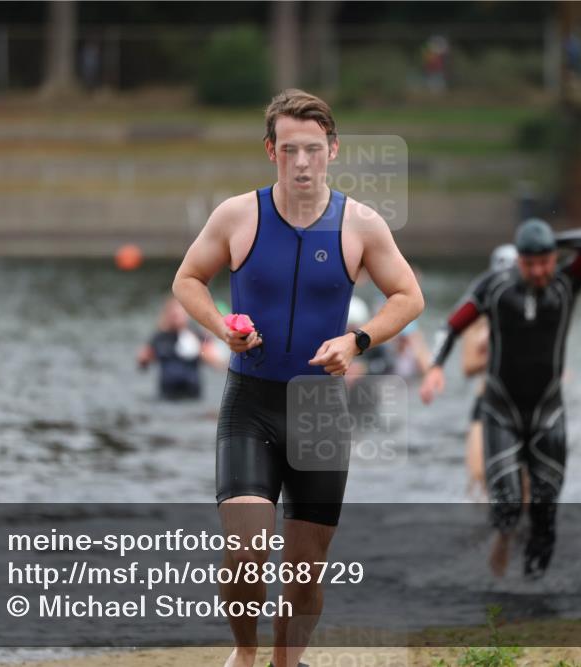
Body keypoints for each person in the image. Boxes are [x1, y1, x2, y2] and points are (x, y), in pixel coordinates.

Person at [172, 89, 424, 667]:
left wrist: (358, 340)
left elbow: (409, 296)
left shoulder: (360, 224)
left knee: (305, 567)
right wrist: (219, 327)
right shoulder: (239, 215)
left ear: (331, 150)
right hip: (250, 403)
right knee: (245, 551)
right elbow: (188, 279)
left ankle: (286, 662)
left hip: (319, 411)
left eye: (313, 149)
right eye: (290, 150)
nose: (303, 162)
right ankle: (245, 653)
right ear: (271, 152)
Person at [420, 220, 581, 580]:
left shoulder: (568, 283)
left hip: (548, 413)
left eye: (545, 261)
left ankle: (535, 591)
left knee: (544, 510)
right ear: (518, 260)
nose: (538, 271)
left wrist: (553, 239)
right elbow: (451, 325)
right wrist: (435, 367)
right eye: (529, 262)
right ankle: (500, 574)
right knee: (505, 508)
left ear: (555, 257)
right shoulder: (496, 288)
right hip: (501, 411)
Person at [462, 245, 520, 499]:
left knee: (523, 482)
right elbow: (467, 367)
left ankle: (521, 532)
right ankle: (484, 532)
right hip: (486, 401)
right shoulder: (477, 319)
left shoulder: (533, 310)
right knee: (477, 477)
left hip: (522, 401)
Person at [137, 297, 224, 400]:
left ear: (187, 315)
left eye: (179, 314)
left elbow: (217, 363)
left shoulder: (196, 334)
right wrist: (143, 359)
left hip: (192, 393)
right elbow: (143, 362)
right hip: (167, 394)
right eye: (173, 315)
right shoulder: (159, 337)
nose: (176, 318)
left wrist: (200, 349)